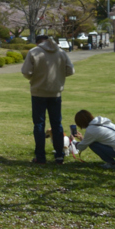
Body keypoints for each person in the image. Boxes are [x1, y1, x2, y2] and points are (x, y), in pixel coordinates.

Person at [21, 34, 75, 165]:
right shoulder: (61, 52)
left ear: (38, 42)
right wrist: (59, 76)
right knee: (57, 124)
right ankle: (59, 155)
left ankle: (40, 156)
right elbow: (70, 70)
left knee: (39, 124)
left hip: (38, 92)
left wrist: (36, 78)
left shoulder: (34, 52)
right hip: (55, 92)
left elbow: (26, 72)